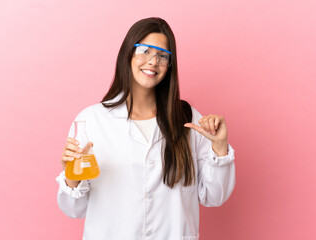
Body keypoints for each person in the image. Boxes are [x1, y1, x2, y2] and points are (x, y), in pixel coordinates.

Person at [56, 17, 235, 240]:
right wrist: (72, 175)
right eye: (145, 50)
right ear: (128, 54)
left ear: (170, 65)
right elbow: (73, 209)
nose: (153, 61)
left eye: (162, 55)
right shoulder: (92, 120)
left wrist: (219, 149)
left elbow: (214, 196)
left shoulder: (188, 119)